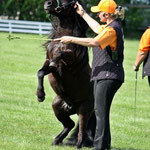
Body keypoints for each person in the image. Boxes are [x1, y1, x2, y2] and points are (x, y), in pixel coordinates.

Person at [54, 0, 125, 149]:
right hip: (105, 75)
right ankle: (104, 145)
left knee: (100, 113)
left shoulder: (112, 30)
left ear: (107, 14)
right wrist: (83, 14)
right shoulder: (109, 27)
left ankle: (98, 146)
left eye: (99, 12)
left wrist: (71, 39)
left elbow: (94, 42)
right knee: (101, 112)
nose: (98, 14)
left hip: (108, 76)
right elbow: (98, 28)